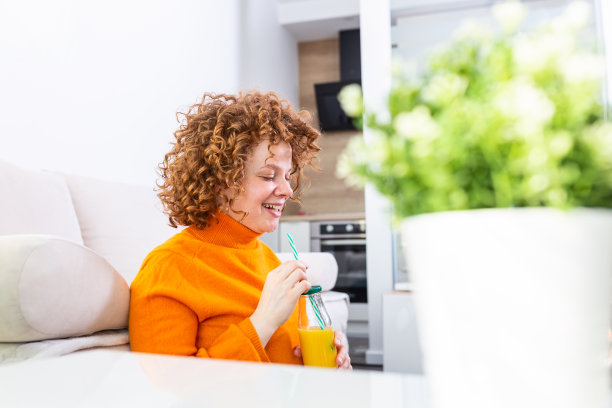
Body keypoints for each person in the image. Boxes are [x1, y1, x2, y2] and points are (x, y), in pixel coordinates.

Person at [129, 91, 351, 369]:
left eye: (287, 176)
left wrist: (328, 358)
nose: (286, 190)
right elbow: (170, 387)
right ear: (222, 179)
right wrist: (263, 321)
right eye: (269, 175)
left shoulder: (269, 261)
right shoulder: (167, 269)